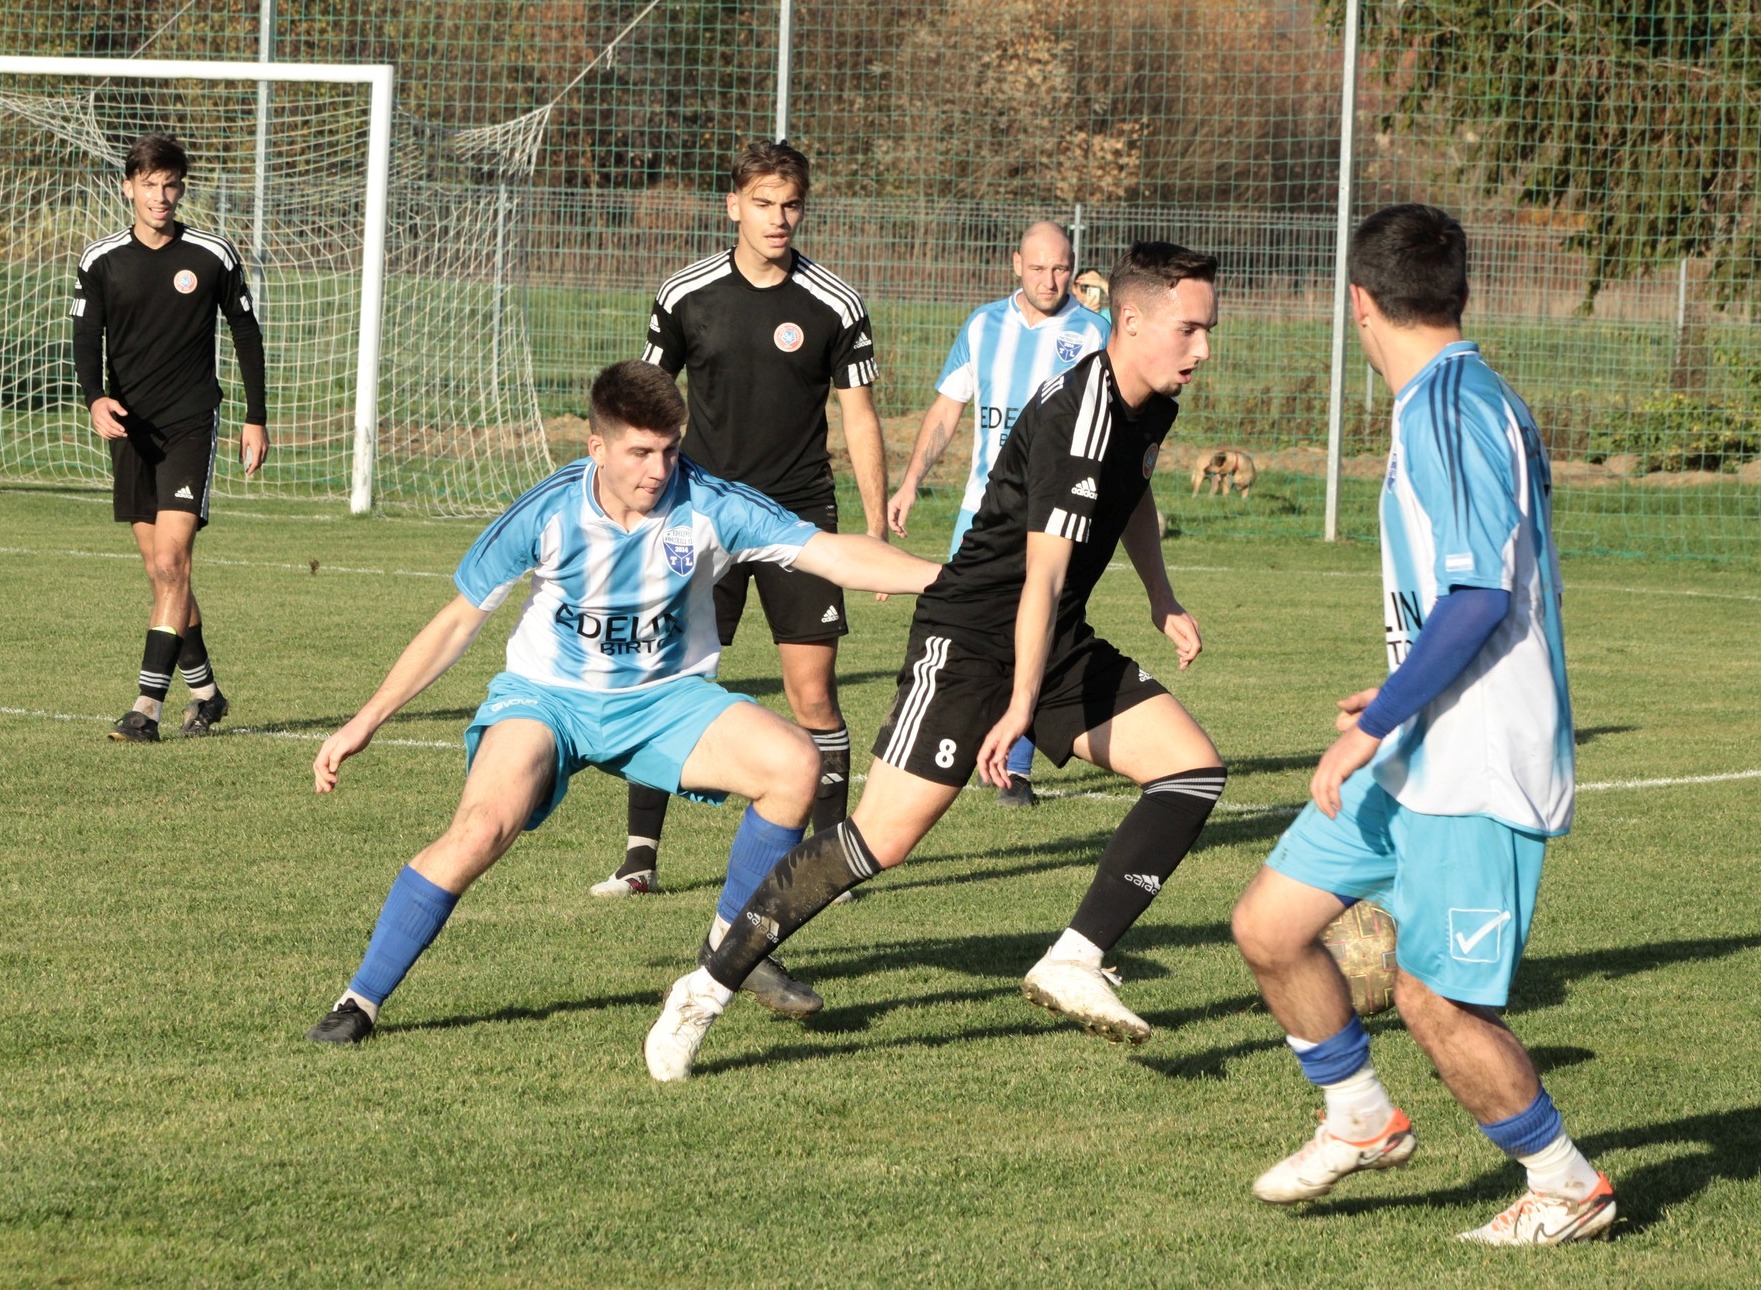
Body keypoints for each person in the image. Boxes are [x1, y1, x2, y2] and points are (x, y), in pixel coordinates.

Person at [645, 242, 1230, 1081]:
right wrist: (1020, 707)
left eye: (1207, 331)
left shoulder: (1149, 406)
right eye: (1190, 330)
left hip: (1048, 634)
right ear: (1131, 323)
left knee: (1190, 771)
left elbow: (1132, 496)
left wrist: (1160, 596)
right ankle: (703, 989)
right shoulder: (1080, 414)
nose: (1202, 350)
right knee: (876, 840)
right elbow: (1041, 575)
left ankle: (1072, 958)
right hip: (971, 639)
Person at [303, 361, 938, 1045]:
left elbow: (832, 555)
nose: (658, 469)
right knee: (481, 829)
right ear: (596, 448)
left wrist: (952, 581)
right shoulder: (548, 510)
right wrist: (364, 721)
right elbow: (458, 621)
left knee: (792, 764)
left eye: (669, 450)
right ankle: (359, 1001)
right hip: (547, 699)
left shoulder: (709, 503)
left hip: (663, 700)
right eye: (639, 452)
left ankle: (734, 947)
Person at [1229, 205, 1615, 1245]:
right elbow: (1462, 598)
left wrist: (1372, 722)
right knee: (1271, 926)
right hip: (1417, 738)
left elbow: (1481, 596)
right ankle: (1360, 1118)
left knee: (1436, 1006)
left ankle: (1564, 1184)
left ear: (1359, 304)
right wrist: (1395, 690)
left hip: (1478, 764)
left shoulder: (1451, 407)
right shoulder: (1443, 401)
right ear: (1460, 291)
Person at [593, 139, 891, 902]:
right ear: (734, 206)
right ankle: (638, 856)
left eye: (790, 204)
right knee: (663, 674)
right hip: (696, 513)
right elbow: (645, 409)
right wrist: (629, 500)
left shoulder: (834, 303)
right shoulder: (686, 294)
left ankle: (828, 862)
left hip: (798, 516)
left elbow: (859, 421)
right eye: (762, 203)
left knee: (813, 694)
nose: (778, 218)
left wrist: (874, 535)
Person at [887, 220, 1109, 806]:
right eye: (1037, 268)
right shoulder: (984, 326)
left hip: (1056, 515)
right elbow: (946, 410)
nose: (1050, 279)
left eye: (1061, 267)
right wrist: (911, 481)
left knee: (1037, 625)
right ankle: (949, 743)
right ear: (1016, 264)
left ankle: (1016, 766)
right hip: (981, 513)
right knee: (963, 630)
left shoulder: (1095, 335)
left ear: (1074, 265)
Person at [72, 133, 268, 742]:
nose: (161, 196)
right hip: (130, 429)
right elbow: (85, 340)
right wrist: (94, 398)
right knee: (164, 576)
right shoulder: (100, 260)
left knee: (171, 560)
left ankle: (146, 709)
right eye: (150, 184)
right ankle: (206, 695)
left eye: (171, 184)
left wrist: (255, 416)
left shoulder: (212, 254)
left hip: (189, 423)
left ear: (182, 190)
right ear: (128, 187)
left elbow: (246, 334)